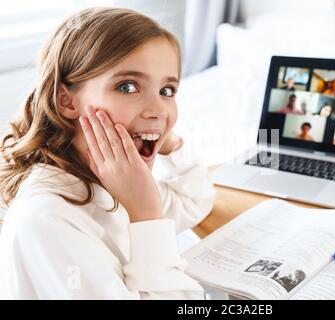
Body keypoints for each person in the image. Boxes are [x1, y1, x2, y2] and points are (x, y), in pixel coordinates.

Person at [0, 8, 216, 299]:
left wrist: (165, 139)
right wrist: (146, 215)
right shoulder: (48, 220)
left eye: (167, 91)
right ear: (67, 101)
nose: (158, 109)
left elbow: (194, 200)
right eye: (127, 87)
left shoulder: (109, 179)